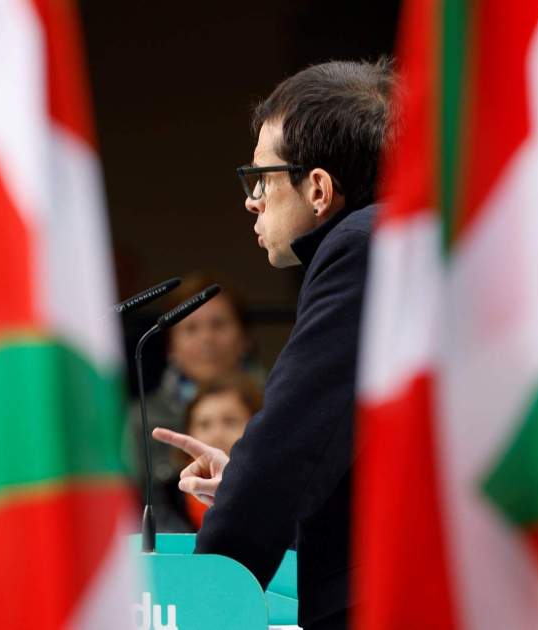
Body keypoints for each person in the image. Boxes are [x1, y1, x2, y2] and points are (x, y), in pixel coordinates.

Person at [154, 58, 396, 629]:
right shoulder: (401, 241)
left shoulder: (360, 248)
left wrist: (200, 604)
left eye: (261, 177)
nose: (252, 200)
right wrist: (245, 481)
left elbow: (294, 439)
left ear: (318, 189)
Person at [129, 272, 264, 531]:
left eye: (218, 324)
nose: (206, 339)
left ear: (245, 338)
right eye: (191, 328)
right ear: (171, 347)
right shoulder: (142, 418)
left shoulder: (277, 409)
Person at [174, 372, 263, 530]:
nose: (216, 435)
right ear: (189, 432)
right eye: (204, 424)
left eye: (230, 422)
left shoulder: (280, 491)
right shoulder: (163, 496)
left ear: (259, 427)